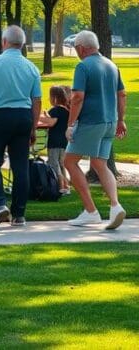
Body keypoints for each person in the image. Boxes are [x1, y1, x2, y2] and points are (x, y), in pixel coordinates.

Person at [0, 25, 42, 228]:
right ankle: (19, 214)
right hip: (24, 116)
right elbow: (37, 100)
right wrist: (34, 126)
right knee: (20, 165)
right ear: (22, 44)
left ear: (4, 42)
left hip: (0, 116)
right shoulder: (31, 67)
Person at [63, 30, 127, 230]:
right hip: (110, 121)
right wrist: (121, 120)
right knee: (100, 163)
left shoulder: (83, 66)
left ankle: (91, 211)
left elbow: (77, 97)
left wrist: (70, 124)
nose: (76, 52)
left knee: (69, 161)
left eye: (76, 49)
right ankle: (115, 206)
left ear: (82, 47)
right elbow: (122, 94)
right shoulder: (111, 65)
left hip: (91, 121)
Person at [38, 85, 71, 195]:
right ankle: (66, 185)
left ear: (55, 98)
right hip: (64, 142)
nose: (49, 99)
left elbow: (51, 122)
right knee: (62, 164)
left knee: (54, 163)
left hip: (54, 142)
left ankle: (60, 185)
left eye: (50, 97)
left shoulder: (55, 110)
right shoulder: (66, 111)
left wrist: (37, 117)